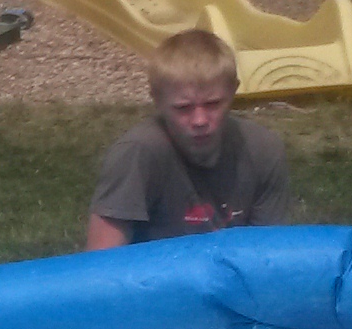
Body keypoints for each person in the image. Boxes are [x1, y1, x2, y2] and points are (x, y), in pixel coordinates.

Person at [83, 27, 295, 248]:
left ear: (233, 91)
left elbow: (267, 252)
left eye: (213, 104)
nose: (200, 120)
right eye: (183, 108)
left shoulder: (262, 150)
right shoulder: (137, 154)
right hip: (156, 269)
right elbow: (102, 260)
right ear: (157, 100)